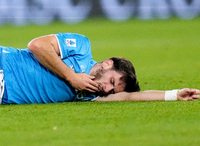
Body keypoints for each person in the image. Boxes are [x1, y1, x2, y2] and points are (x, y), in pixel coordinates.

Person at [0, 33, 199, 104]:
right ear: (107, 63)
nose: (106, 89)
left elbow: (130, 97)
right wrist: (71, 76)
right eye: (111, 82)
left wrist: (175, 95)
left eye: (112, 90)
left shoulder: (90, 94)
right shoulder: (81, 47)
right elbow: (37, 45)